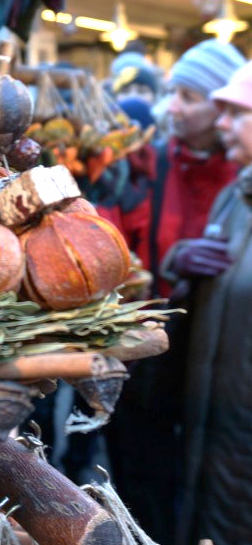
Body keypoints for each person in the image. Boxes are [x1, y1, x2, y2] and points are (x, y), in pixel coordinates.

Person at [99, 39, 245, 543]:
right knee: (145, 491)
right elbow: (111, 254)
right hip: (148, 367)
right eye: (174, 94)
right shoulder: (144, 167)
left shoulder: (240, 178)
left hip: (219, 369)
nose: (174, 108)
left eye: (190, 97)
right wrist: (170, 262)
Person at [166, 60, 252, 545]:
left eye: (236, 113)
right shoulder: (234, 199)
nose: (221, 124)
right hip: (212, 434)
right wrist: (181, 262)